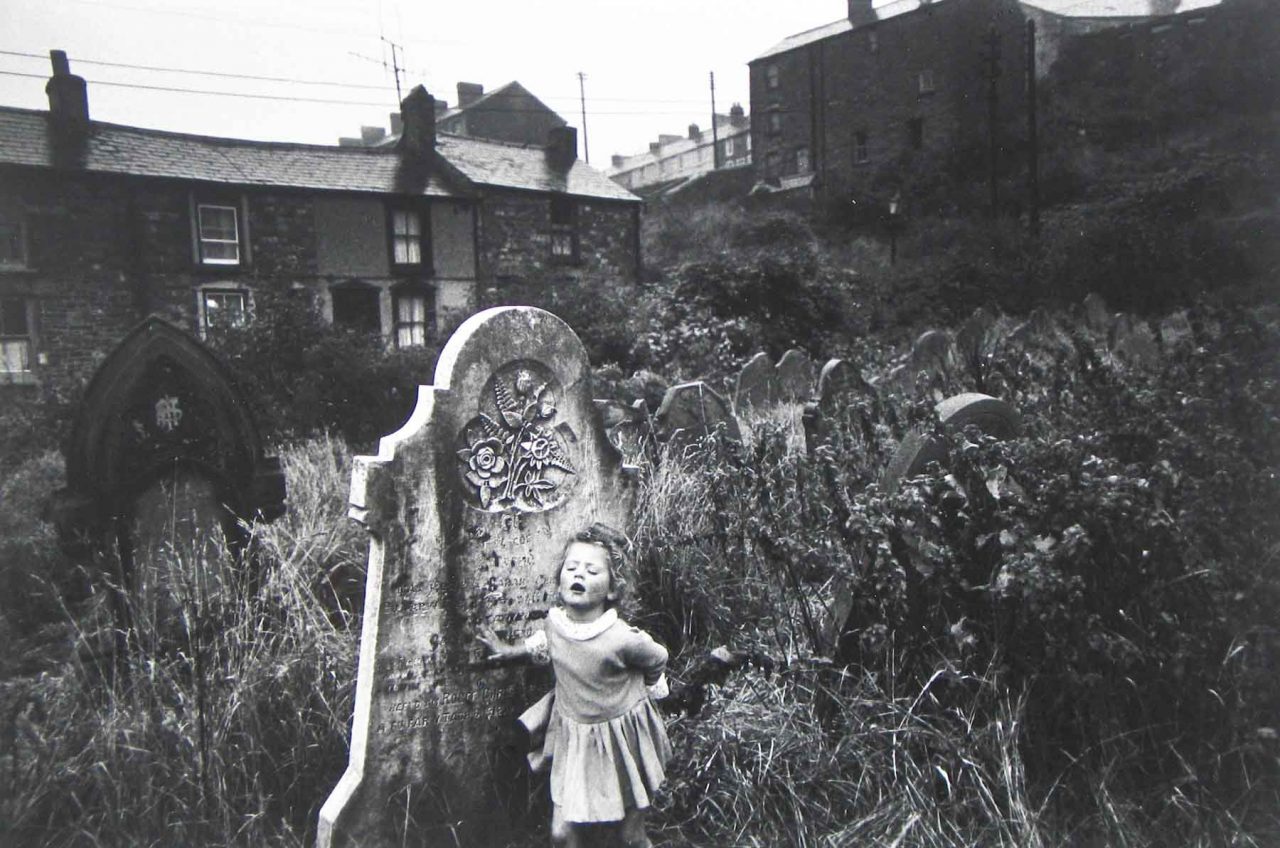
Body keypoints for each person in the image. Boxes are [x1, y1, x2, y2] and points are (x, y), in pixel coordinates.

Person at [478, 524, 671, 848]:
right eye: (571, 567)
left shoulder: (621, 638)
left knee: (629, 836)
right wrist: (510, 650)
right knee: (562, 834)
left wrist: (649, 695)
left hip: (622, 738)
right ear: (560, 578)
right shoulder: (556, 622)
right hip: (575, 738)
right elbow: (548, 643)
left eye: (592, 570)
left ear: (612, 589)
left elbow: (657, 657)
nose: (578, 574)